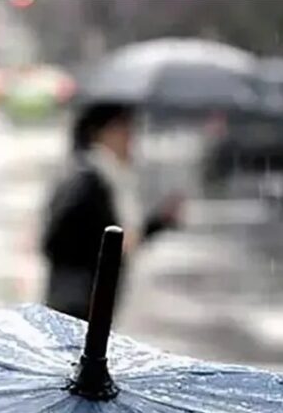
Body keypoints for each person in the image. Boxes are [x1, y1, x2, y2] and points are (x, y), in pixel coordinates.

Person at [42, 102, 180, 320]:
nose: (130, 141)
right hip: (76, 304)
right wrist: (98, 251)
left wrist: (159, 222)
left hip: (94, 301)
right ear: (102, 133)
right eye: (123, 131)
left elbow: (119, 240)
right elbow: (57, 240)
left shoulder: (110, 179)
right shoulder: (87, 180)